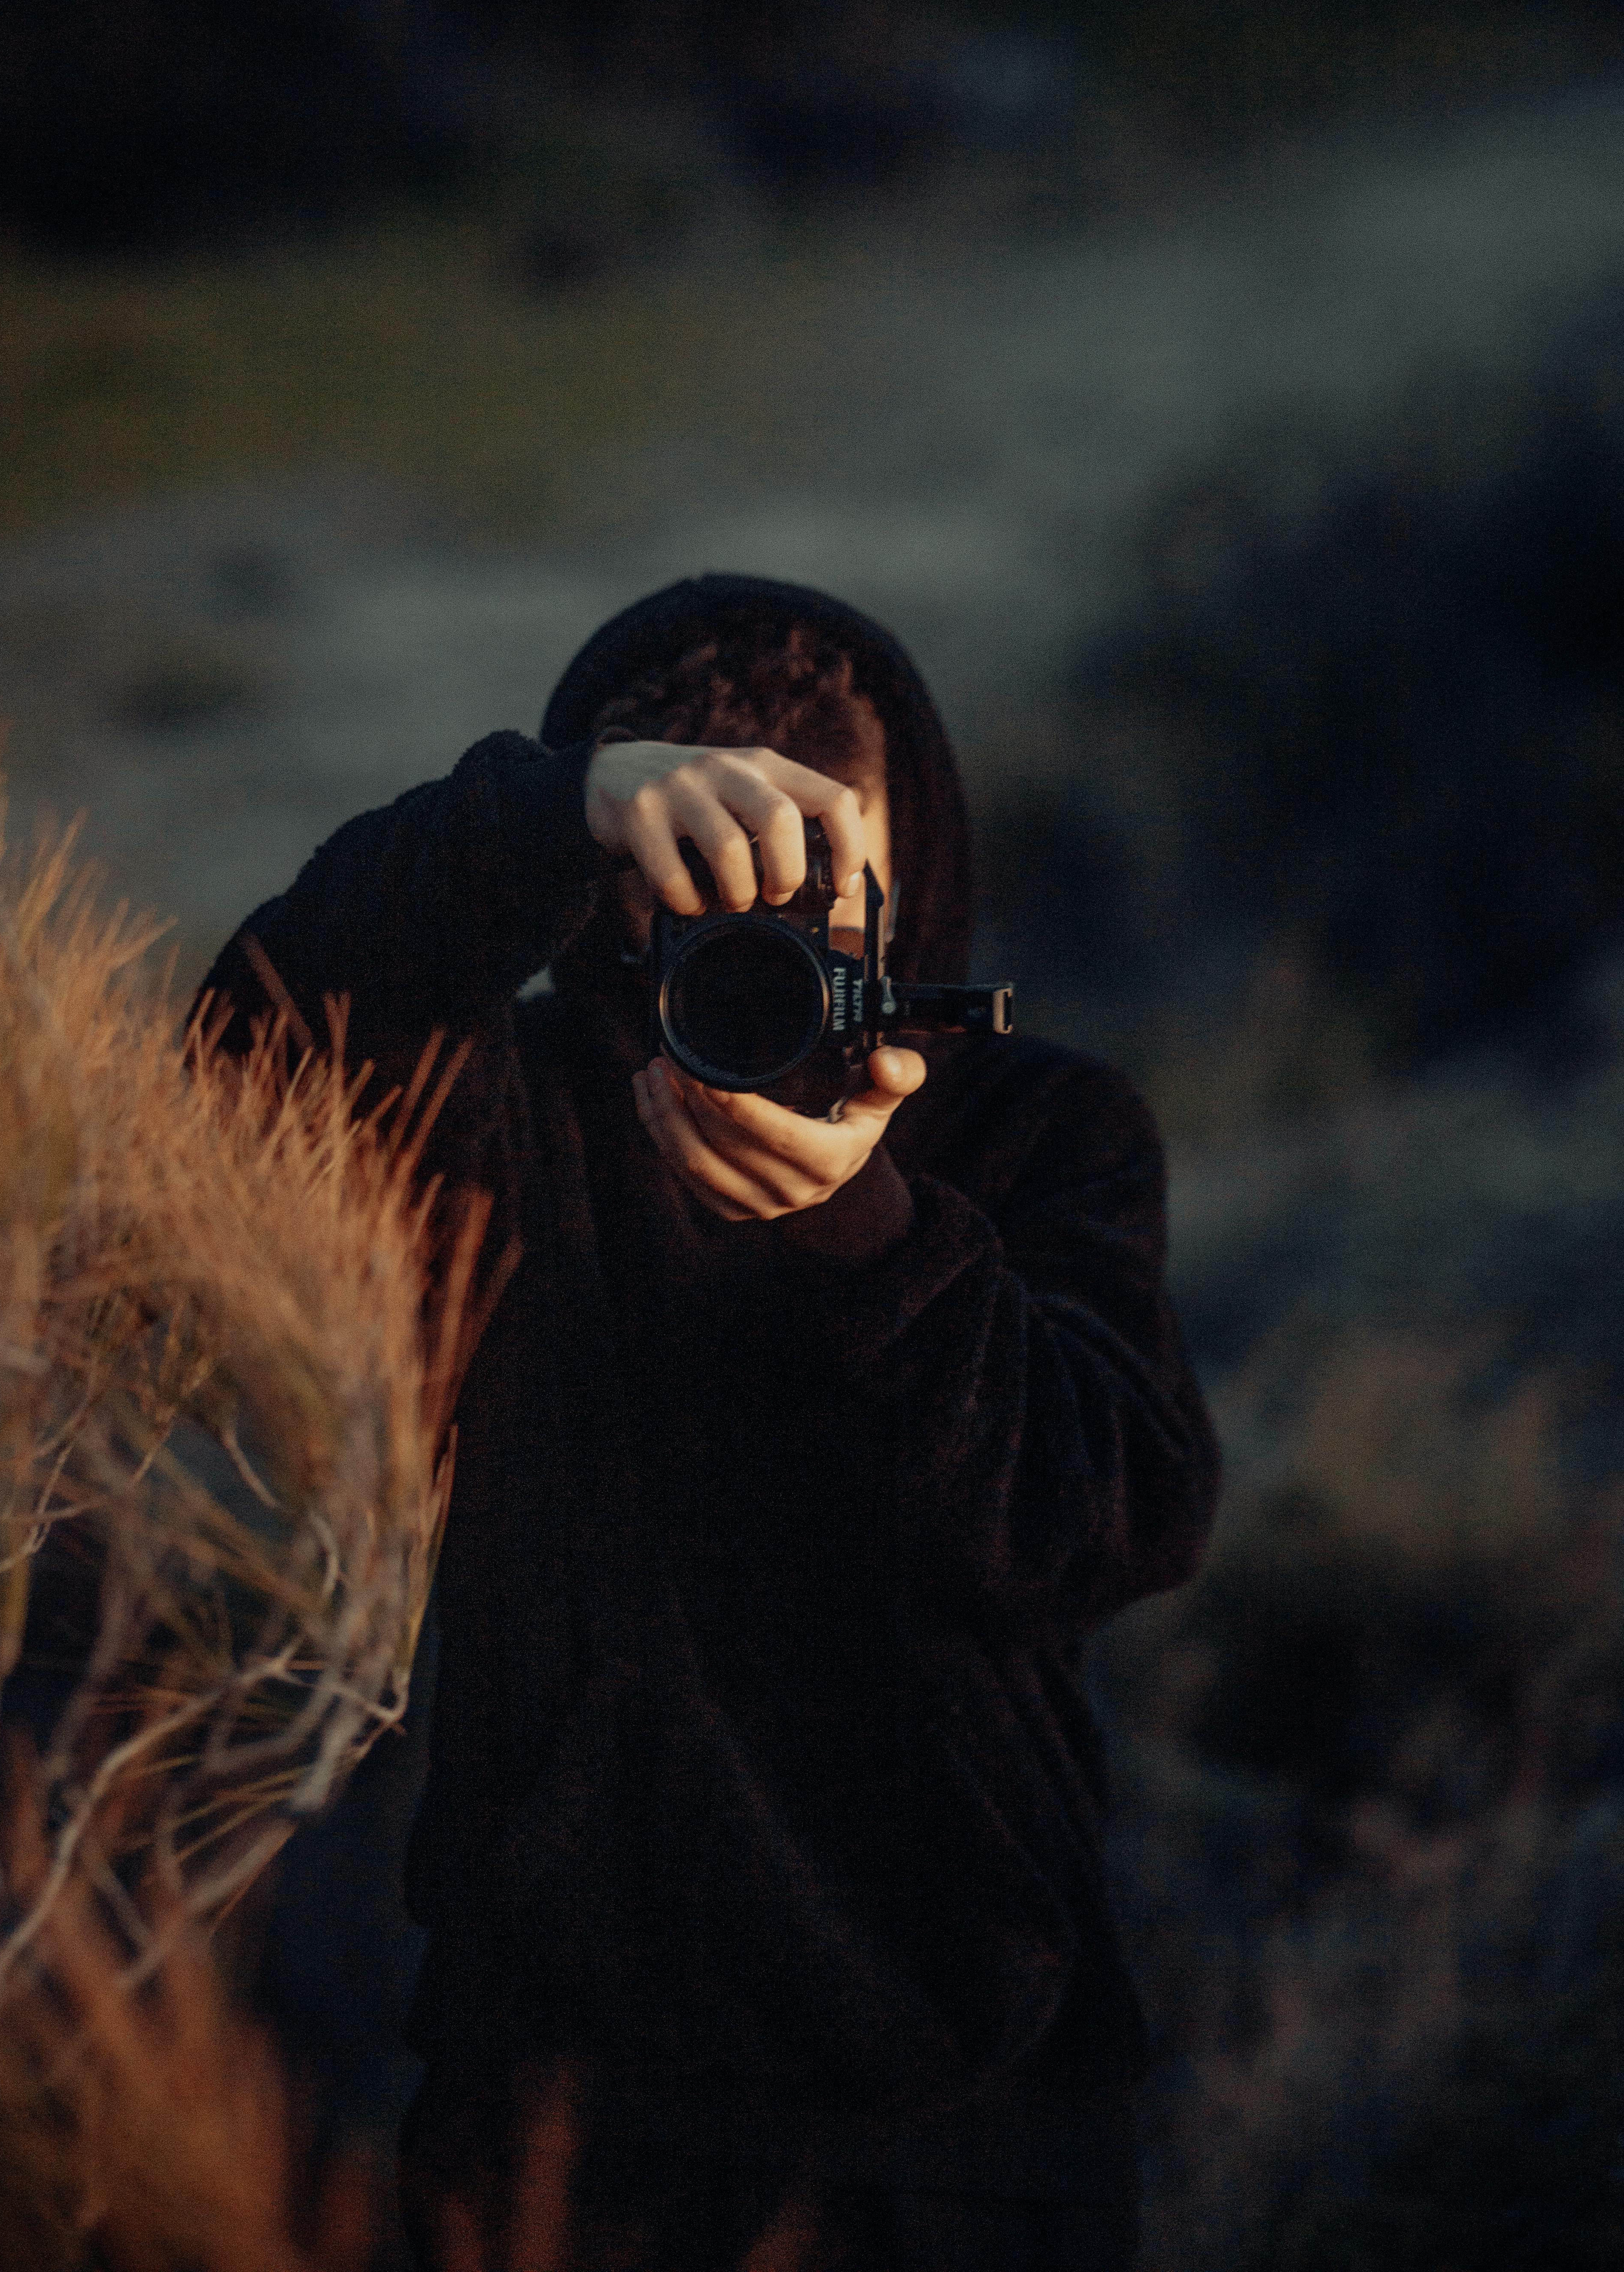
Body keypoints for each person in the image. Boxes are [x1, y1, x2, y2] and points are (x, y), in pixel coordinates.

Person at [197, 575, 1220, 2272]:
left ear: (921, 872)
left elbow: (1113, 1516)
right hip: (562, 2119)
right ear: (606, 890)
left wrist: (870, 1237)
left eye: (825, 868)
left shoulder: (1038, 1128)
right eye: (704, 862)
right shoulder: (503, 1109)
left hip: (974, 2111)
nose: (777, 926)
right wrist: (523, 819)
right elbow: (233, 1103)